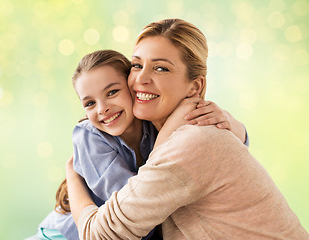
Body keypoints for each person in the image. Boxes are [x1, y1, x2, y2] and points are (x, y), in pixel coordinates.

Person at [65, 19, 309, 239]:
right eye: (137, 65)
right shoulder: (165, 129)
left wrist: (73, 177)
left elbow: (100, 235)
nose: (141, 79)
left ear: (195, 86)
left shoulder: (193, 141)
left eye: (161, 68)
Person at [37, 48, 249, 240]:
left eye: (112, 92)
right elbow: (135, 212)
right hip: (64, 235)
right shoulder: (89, 138)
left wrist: (230, 122)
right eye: (90, 103)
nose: (102, 109)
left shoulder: (153, 122)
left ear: (133, 88)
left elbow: (227, 152)